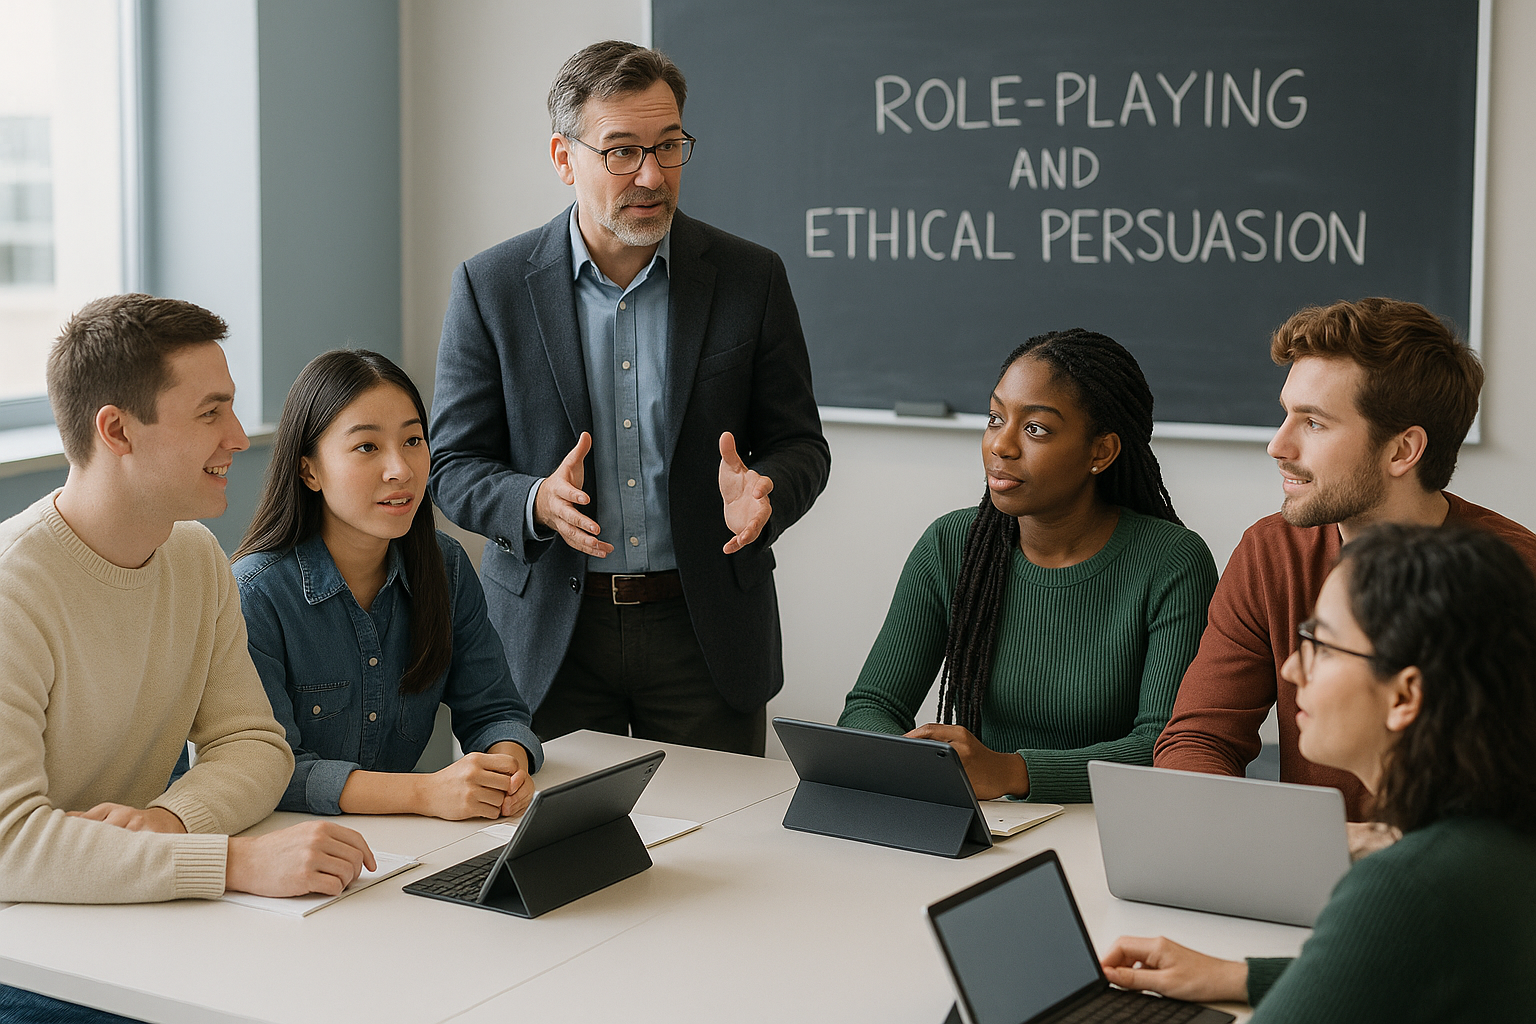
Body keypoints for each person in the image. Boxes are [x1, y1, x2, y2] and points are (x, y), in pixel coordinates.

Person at [428, 41, 830, 757]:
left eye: (669, 146)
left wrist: (769, 491)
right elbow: (452, 465)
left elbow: (801, 443)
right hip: (550, 638)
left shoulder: (750, 277)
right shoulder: (491, 287)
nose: (651, 175)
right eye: (622, 152)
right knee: (549, 831)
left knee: (721, 828)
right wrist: (534, 502)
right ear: (564, 158)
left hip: (704, 633)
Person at [0, 295, 375, 1024]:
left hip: (134, 920)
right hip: (25, 954)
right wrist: (229, 861)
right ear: (117, 430)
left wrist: (172, 821)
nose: (238, 437)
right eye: (210, 413)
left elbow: (255, 744)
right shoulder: (15, 589)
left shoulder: (195, 557)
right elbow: (10, 844)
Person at [1104, 525, 1536, 1020]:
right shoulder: (1503, 836)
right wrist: (1239, 976)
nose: (1291, 669)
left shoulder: (1405, 886)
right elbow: (1406, 971)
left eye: (1322, 646)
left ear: (1404, 696)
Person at [1154, 298, 1536, 823]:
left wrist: (1390, 851)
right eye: (1286, 414)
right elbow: (1199, 740)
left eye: (1313, 423)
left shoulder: (1516, 576)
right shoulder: (1271, 553)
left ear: (1402, 451)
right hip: (1305, 863)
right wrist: (1290, 844)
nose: (1277, 446)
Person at [837, 330, 1218, 801]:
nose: (1002, 445)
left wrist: (1013, 772)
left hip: (1110, 823)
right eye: (995, 418)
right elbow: (871, 706)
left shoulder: (1172, 562)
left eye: (1035, 428)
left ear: (1101, 452)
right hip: (985, 818)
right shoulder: (951, 544)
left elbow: (1163, 747)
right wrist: (916, 760)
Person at [233, 350, 543, 819]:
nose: (401, 469)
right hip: (291, 845)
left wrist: (505, 773)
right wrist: (424, 793)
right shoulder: (254, 594)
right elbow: (270, 770)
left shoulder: (446, 566)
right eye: (367, 447)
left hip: (407, 841)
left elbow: (495, 711)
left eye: (413, 440)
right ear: (308, 470)